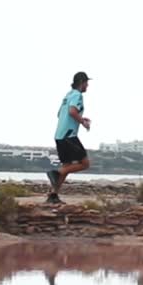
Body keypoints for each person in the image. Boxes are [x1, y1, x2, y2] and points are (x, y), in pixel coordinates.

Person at [46, 72, 92, 205]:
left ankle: (53, 195)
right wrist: (83, 122)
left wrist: (81, 118)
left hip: (59, 135)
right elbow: (72, 111)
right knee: (85, 163)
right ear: (82, 82)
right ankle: (56, 172)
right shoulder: (77, 95)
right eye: (86, 83)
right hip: (69, 136)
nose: (87, 86)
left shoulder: (68, 95)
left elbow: (59, 114)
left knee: (67, 165)